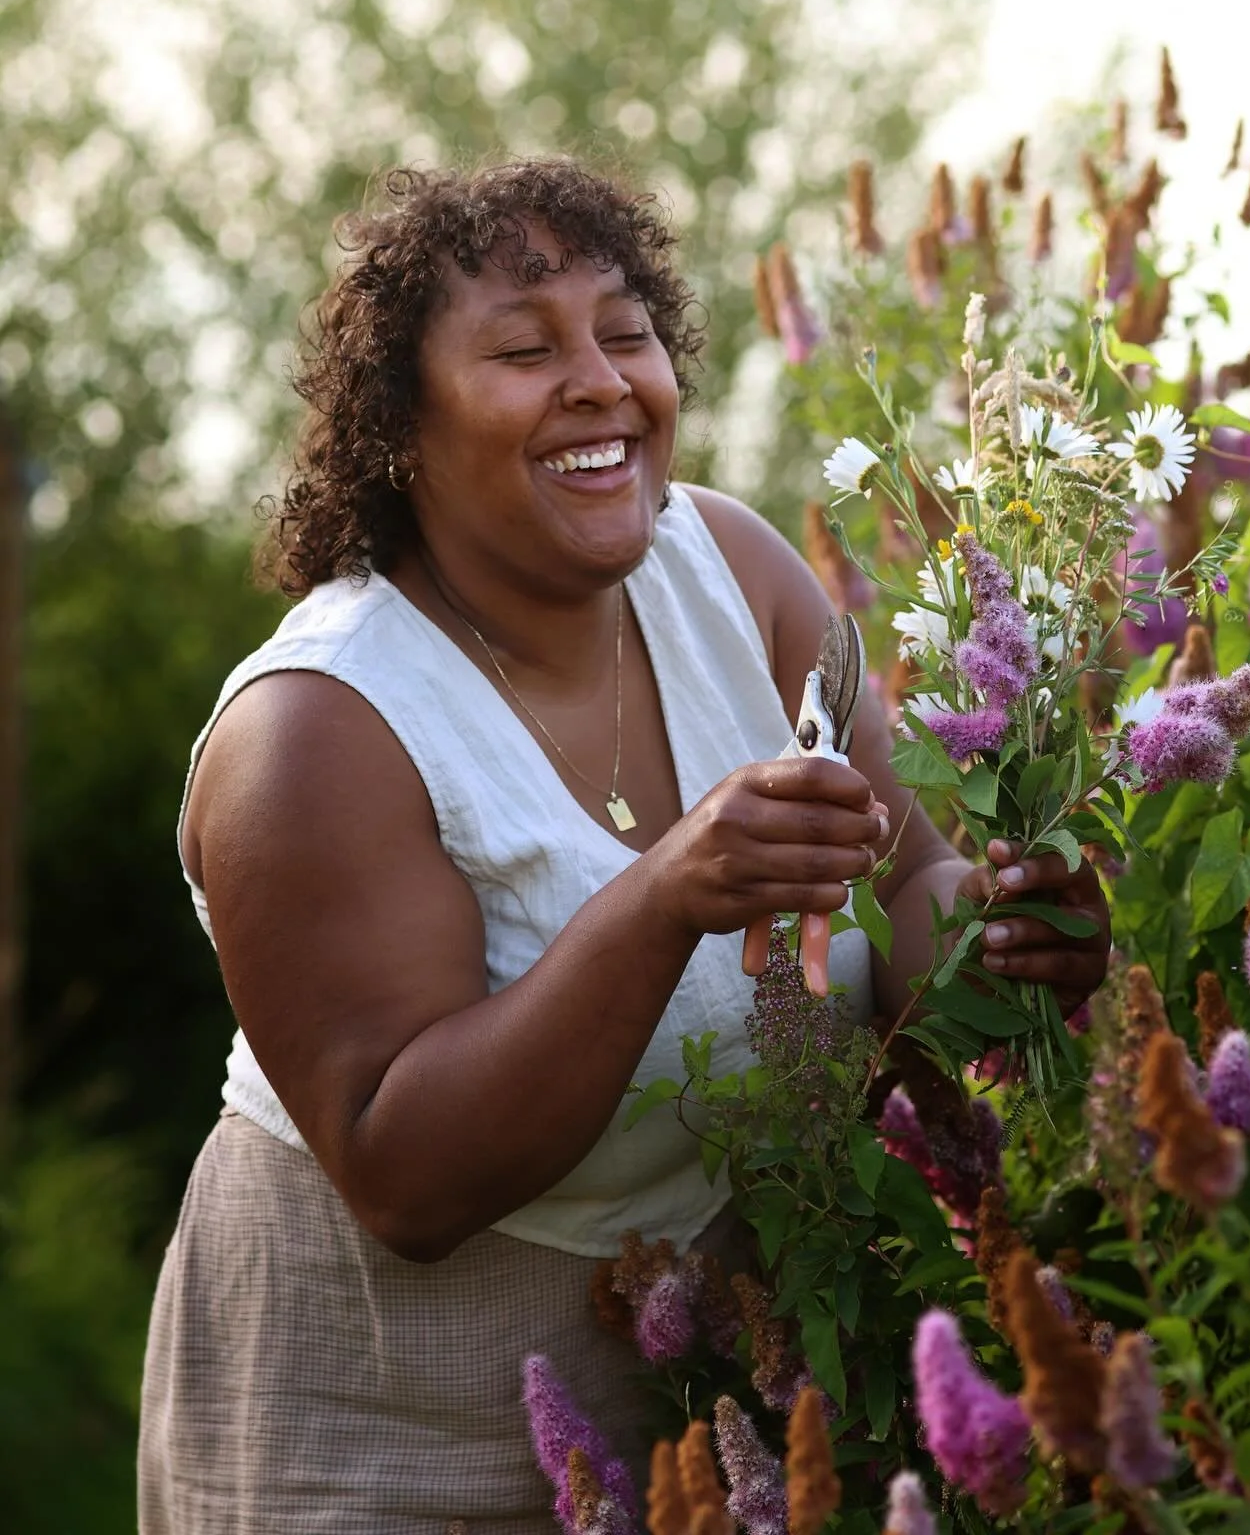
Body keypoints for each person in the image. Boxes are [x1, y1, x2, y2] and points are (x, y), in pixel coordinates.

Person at [138, 159, 1110, 1534]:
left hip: (694, 1387)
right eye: (527, 350)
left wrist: (1003, 928)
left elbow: (904, 889)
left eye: (628, 333)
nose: (599, 380)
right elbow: (404, 1175)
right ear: (399, 429)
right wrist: (666, 898)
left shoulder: (734, 574)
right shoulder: (321, 727)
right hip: (374, 1416)